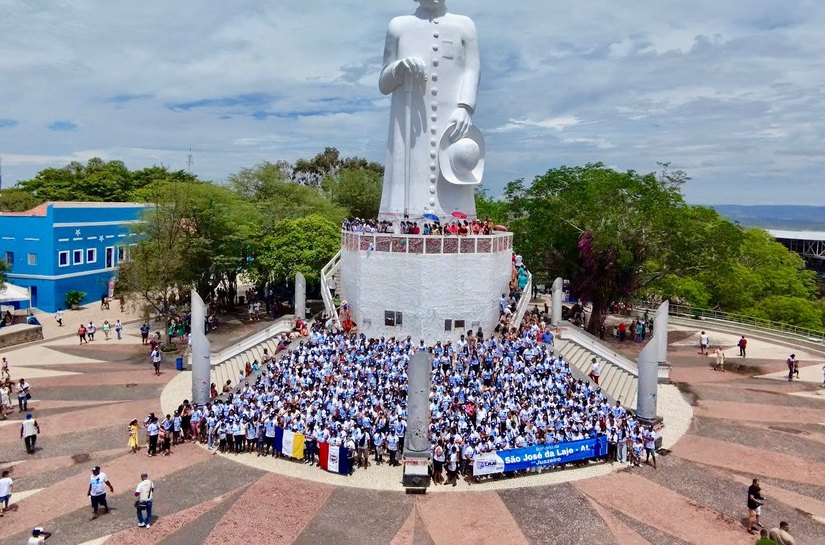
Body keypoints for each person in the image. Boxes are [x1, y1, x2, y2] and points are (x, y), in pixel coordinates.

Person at [377, 0, 482, 219]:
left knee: (454, 168)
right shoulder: (398, 26)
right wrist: (398, 68)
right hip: (410, 125)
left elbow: (472, 69)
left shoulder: (464, 25)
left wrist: (465, 106)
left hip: (452, 117)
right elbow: (383, 84)